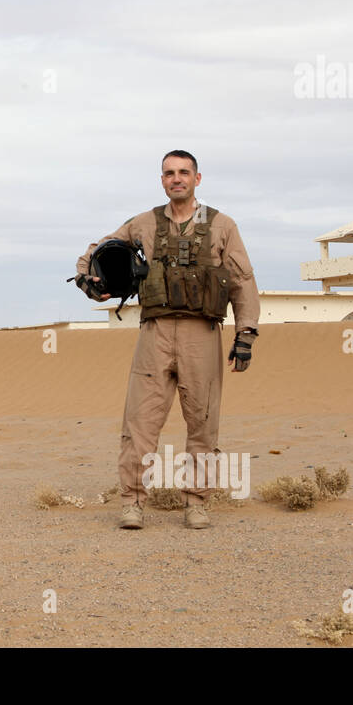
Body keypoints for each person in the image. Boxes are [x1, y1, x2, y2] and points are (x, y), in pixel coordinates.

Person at [75, 150, 260, 530]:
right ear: (162, 180)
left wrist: (246, 333)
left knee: (203, 423)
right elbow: (98, 251)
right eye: (169, 173)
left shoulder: (223, 225)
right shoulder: (144, 223)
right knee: (140, 423)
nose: (176, 179)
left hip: (202, 335)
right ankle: (132, 503)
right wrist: (91, 281)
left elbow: (243, 282)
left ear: (197, 178)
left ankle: (196, 503)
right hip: (154, 333)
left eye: (183, 173)